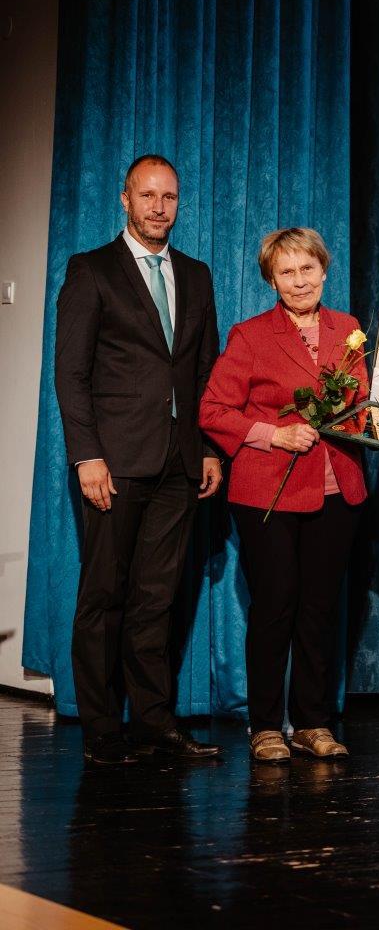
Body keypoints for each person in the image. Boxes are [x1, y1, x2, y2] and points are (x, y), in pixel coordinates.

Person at [199, 227, 379, 762]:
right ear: (271, 281)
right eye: (286, 272)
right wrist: (273, 434)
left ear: (325, 271)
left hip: (338, 488)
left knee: (320, 609)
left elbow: (361, 410)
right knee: (275, 605)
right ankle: (266, 726)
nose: (299, 280)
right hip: (267, 490)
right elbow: (213, 410)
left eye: (307, 268)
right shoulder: (250, 336)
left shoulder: (347, 329)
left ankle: (311, 723)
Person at [55, 154, 223, 764]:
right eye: (147, 196)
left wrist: (210, 448)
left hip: (180, 465)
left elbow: (204, 373)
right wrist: (87, 456)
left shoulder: (197, 275)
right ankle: (102, 729)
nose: (159, 207)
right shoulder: (91, 269)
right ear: (124, 199)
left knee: (157, 598)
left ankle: (154, 722)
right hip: (115, 463)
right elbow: (71, 375)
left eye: (169, 197)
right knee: (105, 594)